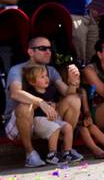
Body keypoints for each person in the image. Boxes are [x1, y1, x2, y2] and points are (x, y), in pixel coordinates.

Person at [5, 36, 83, 165]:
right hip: (19, 124)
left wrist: (73, 82)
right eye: (42, 48)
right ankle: (30, 153)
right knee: (25, 106)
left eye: (49, 48)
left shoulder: (50, 70)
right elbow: (15, 92)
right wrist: (40, 102)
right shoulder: (17, 69)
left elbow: (67, 93)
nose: (48, 52)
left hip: (45, 120)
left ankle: (66, 150)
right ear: (30, 52)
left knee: (74, 99)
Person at [11, 64, 75, 166]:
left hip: (52, 118)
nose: (46, 79)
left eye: (46, 76)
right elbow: (29, 109)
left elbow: (58, 102)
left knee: (68, 127)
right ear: (32, 82)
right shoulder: (31, 93)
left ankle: (68, 152)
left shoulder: (52, 90)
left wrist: (55, 105)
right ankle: (52, 154)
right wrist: (40, 105)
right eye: (42, 77)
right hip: (38, 119)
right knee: (55, 128)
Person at [63, 63, 104, 158]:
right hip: (71, 127)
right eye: (74, 78)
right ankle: (95, 150)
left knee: (92, 127)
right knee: (84, 130)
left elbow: (86, 110)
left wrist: (88, 117)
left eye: (78, 78)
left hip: (82, 122)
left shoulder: (82, 91)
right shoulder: (64, 95)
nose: (77, 81)